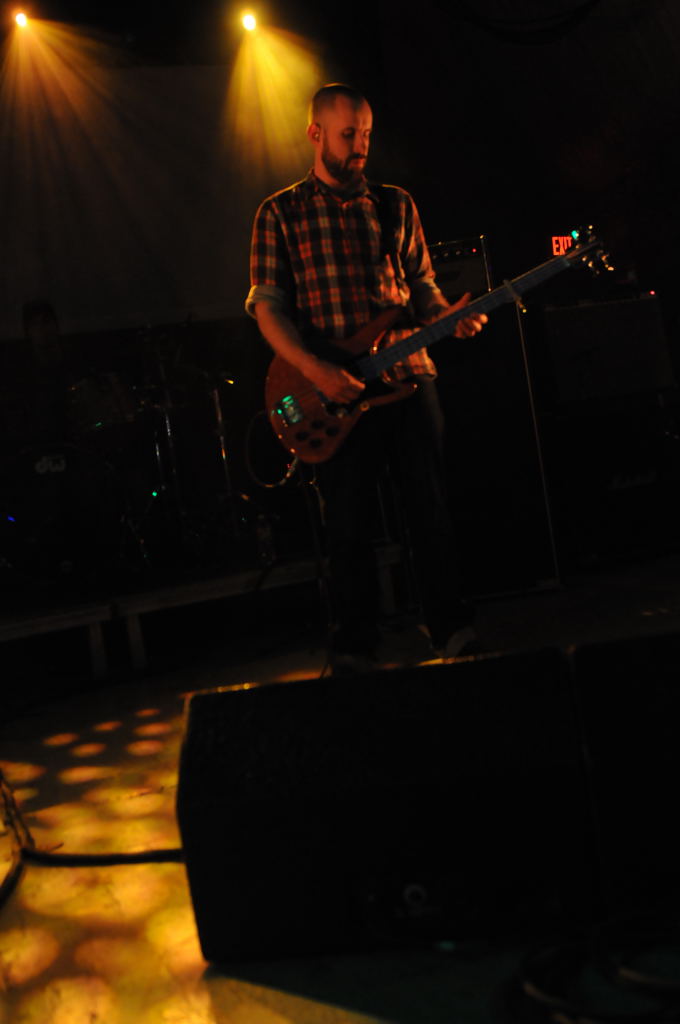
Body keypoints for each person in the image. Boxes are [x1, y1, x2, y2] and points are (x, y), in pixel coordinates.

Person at [246, 83, 487, 673]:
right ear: (315, 134)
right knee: (348, 524)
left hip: (407, 373)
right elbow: (268, 308)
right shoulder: (280, 212)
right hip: (333, 392)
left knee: (430, 509)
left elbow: (422, 286)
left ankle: (449, 627)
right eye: (349, 135)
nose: (360, 146)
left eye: (367, 135)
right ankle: (355, 645)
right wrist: (317, 370)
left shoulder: (395, 204)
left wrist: (447, 317)